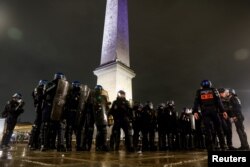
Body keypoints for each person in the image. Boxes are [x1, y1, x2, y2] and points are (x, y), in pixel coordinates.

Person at [193, 80, 226, 151]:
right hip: (214, 111)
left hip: (205, 112)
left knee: (207, 130)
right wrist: (223, 110)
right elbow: (218, 101)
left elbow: (196, 102)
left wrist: (195, 111)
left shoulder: (199, 91)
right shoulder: (214, 90)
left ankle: (210, 147)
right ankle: (223, 146)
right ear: (210, 84)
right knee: (219, 128)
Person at [40, 72, 69, 152]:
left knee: (60, 127)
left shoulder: (65, 86)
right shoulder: (50, 84)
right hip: (49, 108)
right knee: (47, 127)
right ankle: (46, 145)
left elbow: (66, 98)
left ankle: (60, 145)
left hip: (59, 109)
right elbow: (44, 95)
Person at [28, 79, 47, 150]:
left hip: (39, 108)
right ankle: (33, 144)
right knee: (38, 126)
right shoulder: (39, 89)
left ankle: (33, 143)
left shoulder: (36, 89)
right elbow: (39, 98)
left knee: (37, 127)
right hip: (40, 109)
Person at [92, 85, 110, 151]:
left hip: (101, 116)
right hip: (100, 116)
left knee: (100, 131)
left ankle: (99, 146)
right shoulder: (97, 97)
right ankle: (103, 145)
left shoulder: (94, 96)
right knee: (102, 131)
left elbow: (107, 107)